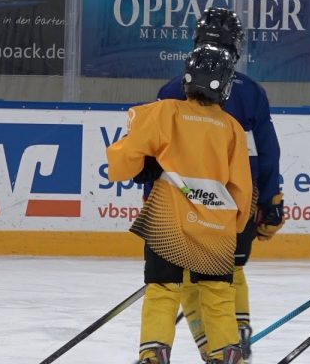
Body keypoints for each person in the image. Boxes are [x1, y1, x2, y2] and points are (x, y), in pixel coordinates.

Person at [106, 45, 253, 364]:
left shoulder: (163, 112)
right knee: (216, 294)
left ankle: (153, 354)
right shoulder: (232, 128)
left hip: (168, 220)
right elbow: (241, 189)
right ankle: (227, 354)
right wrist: (235, 227)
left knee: (163, 288)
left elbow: (120, 161)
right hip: (215, 226)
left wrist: (142, 165)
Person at [152, 7, 283, 363]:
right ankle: (233, 339)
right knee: (225, 276)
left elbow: (153, 154)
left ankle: (209, 347)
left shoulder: (169, 89)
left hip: (178, 204)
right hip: (232, 204)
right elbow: (267, 154)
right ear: (236, 46)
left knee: (187, 286)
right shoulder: (252, 92)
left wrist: (152, 202)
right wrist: (271, 200)